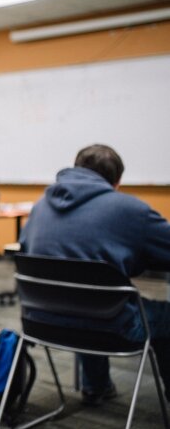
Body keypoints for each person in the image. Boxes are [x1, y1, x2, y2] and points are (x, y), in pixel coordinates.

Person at [19, 144, 170, 407]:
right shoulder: (129, 209)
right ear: (117, 181)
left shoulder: (40, 206)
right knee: (122, 305)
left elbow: (24, 248)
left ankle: (96, 386)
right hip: (109, 328)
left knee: (83, 293)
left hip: (40, 322)